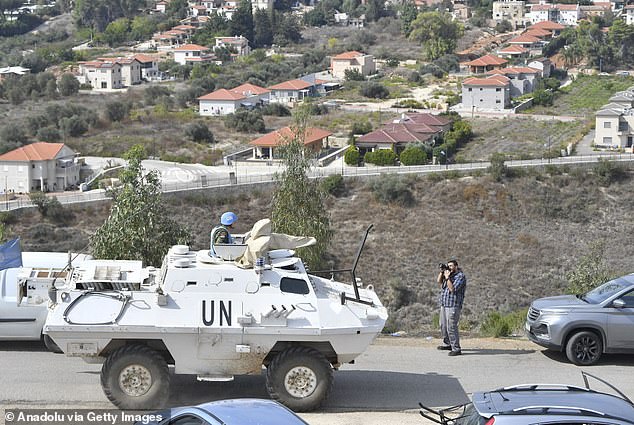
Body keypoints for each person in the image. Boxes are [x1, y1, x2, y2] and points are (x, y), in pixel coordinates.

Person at [436, 259, 467, 356]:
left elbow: (452, 289)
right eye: (448, 266)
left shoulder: (460, 276)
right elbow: (439, 283)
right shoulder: (449, 276)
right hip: (444, 304)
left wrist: (448, 278)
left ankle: (456, 348)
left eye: (451, 266)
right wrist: (442, 272)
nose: (449, 268)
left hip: (453, 305)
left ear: (456, 266)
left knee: (451, 327)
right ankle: (448, 344)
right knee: (443, 325)